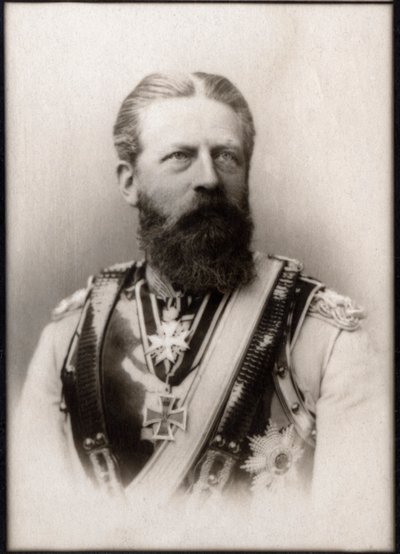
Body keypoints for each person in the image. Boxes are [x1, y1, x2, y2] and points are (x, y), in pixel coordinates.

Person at [12, 72, 389, 549]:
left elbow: (355, 537)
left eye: (226, 156)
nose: (209, 178)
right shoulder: (70, 337)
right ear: (129, 182)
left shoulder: (326, 335)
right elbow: (39, 530)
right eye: (180, 156)